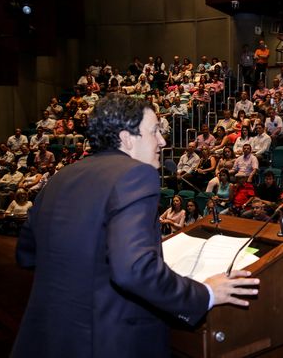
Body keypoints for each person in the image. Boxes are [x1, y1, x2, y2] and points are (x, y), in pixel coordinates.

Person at [13, 94, 259, 357]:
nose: (163, 141)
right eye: (155, 131)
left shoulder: (61, 178)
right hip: (108, 342)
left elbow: (26, 254)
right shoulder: (135, 174)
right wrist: (206, 293)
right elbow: (133, 269)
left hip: (48, 338)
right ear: (127, 138)